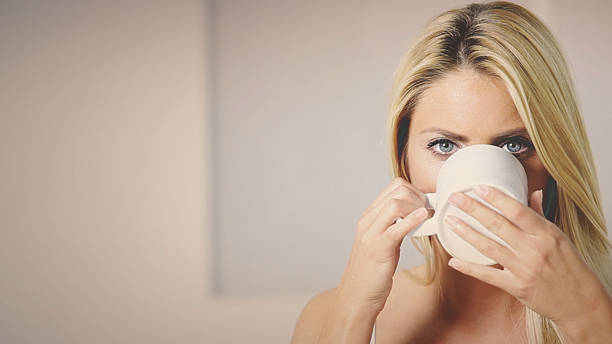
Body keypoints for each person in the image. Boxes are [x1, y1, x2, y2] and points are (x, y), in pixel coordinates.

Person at [291, 1, 612, 343]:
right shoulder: (329, 316)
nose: (477, 186)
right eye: (445, 145)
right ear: (405, 160)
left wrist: (588, 318)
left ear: (555, 161)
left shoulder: (599, 311)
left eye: (514, 145)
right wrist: (353, 313)